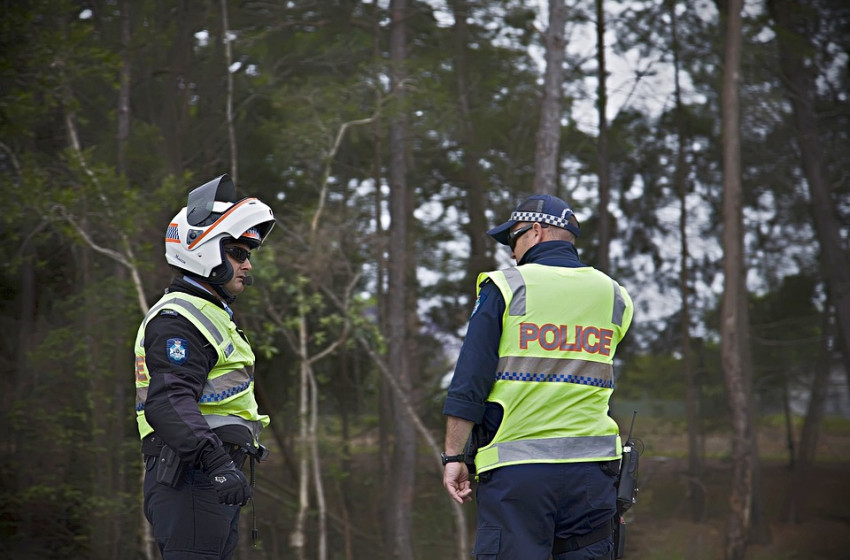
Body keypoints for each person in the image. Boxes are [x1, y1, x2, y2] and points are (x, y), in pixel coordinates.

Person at [441, 194, 634, 560]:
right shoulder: (614, 295)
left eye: (513, 238)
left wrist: (453, 457)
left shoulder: (505, 286)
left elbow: (470, 381)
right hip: (593, 473)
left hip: (518, 472)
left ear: (537, 230)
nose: (512, 252)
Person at [133, 174, 276, 559]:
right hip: (192, 476)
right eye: (239, 253)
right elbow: (168, 402)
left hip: (208, 475)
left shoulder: (208, 314)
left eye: (249, 255)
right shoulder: (179, 319)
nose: (248, 266)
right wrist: (215, 463)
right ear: (204, 250)